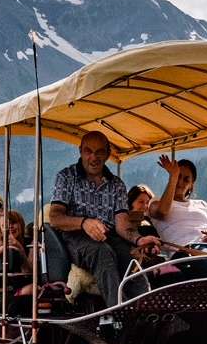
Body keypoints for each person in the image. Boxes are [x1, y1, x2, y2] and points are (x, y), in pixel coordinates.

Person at [47, 131, 161, 307]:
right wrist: (84, 223)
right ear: (80, 151)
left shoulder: (116, 184)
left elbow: (122, 224)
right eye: (88, 151)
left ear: (107, 154)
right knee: (103, 253)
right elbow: (55, 217)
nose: (93, 157)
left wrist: (138, 239)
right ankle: (116, 312)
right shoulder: (66, 176)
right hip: (75, 237)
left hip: (110, 236)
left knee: (130, 258)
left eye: (99, 152)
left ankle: (147, 311)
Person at [150, 155, 207, 278]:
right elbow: (162, 212)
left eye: (186, 179)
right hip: (186, 250)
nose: (180, 182)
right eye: (178, 176)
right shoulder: (156, 203)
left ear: (191, 185)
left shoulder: (201, 204)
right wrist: (172, 177)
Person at [0, 210, 33, 297]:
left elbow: (28, 272)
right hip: (11, 284)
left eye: (13, 223)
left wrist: (19, 248)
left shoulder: (30, 242)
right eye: (4, 226)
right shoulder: (1, 241)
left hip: (27, 281)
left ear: (20, 224)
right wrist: (3, 247)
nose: (10, 227)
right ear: (0, 229)